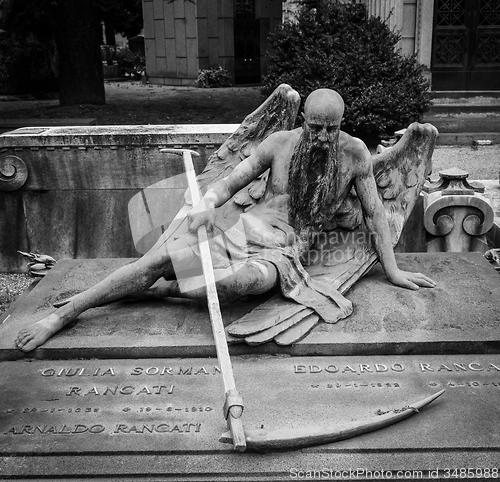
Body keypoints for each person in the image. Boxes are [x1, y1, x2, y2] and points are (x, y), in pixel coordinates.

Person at [15, 89, 435, 352]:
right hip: (242, 228)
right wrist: (208, 202)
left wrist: (392, 269)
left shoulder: (355, 155)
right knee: (155, 261)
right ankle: (64, 315)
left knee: (235, 286)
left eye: (331, 128)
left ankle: (163, 292)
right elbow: (233, 179)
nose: (322, 137)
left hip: (283, 253)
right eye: (315, 127)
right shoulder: (279, 143)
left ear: (341, 124)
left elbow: (376, 214)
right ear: (304, 120)